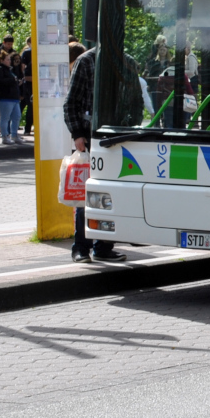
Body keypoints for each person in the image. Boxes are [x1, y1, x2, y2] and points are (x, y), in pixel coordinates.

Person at [64, 44, 127, 264]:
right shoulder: (86, 61)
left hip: (119, 137)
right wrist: (78, 134)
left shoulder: (125, 60)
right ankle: (81, 247)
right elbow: (71, 102)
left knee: (112, 193)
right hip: (92, 138)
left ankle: (103, 246)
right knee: (87, 195)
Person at [0, 51, 23, 144]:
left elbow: (12, 81)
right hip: (4, 97)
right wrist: (12, 80)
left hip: (14, 97)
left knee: (17, 116)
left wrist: (17, 82)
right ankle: (4, 136)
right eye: (7, 59)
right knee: (5, 117)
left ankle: (14, 135)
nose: (9, 61)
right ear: (1, 60)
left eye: (10, 59)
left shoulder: (10, 70)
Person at [19, 38, 33, 137]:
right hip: (29, 82)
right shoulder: (27, 53)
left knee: (29, 105)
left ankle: (27, 128)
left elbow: (22, 68)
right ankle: (27, 128)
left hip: (28, 81)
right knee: (30, 106)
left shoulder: (26, 53)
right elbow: (22, 68)